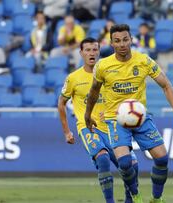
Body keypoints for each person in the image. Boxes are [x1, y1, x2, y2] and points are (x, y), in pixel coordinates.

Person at [84, 24, 173, 203]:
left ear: (131, 40)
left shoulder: (144, 61)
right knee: (125, 163)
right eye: (117, 41)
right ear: (111, 43)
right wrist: (88, 115)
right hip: (115, 119)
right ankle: (135, 195)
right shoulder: (103, 66)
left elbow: (166, 85)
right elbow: (94, 92)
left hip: (141, 118)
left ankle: (156, 199)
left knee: (162, 158)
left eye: (125, 40)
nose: (122, 44)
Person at [57, 37, 137, 203]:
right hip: (88, 128)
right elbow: (61, 103)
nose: (91, 53)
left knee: (132, 165)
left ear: (99, 52)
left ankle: (130, 200)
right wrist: (67, 132)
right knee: (102, 158)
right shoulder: (73, 78)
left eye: (94, 50)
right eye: (87, 50)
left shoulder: (110, 74)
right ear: (81, 53)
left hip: (111, 127)